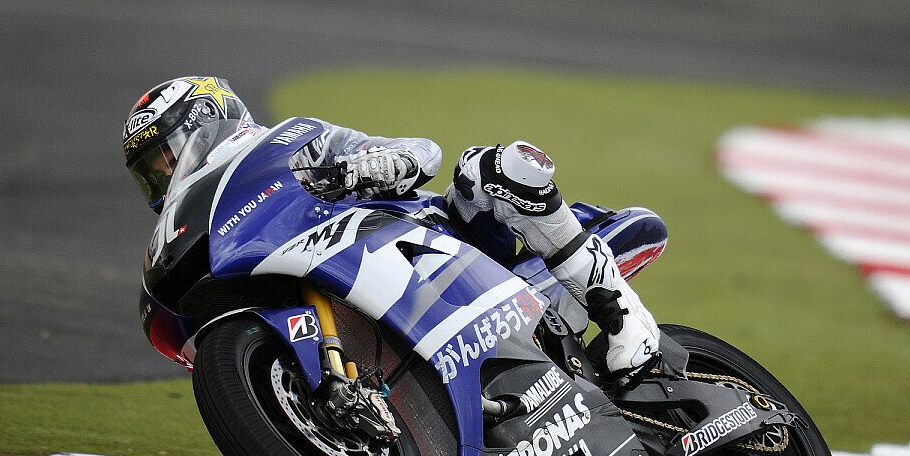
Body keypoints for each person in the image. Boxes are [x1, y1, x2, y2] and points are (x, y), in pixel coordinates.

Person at [123, 76, 663, 374]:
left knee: (488, 170)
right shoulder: (228, 222)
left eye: (165, 157)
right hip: (386, 307)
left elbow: (423, 152)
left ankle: (620, 313)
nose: (163, 176)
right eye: (152, 172)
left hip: (447, 246)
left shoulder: (290, 142)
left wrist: (373, 164)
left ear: (208, 124)